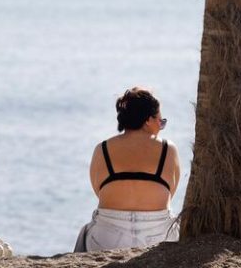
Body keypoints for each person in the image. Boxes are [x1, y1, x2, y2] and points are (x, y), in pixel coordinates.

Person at [75, 87, 180, 251]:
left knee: (85, 233)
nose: (161, 127)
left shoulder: (102, 149)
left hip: (107, 237)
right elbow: (170, 192)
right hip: (158, 235)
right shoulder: (168, 149)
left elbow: (99, 190)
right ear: (147, 120)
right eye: (161, 121)